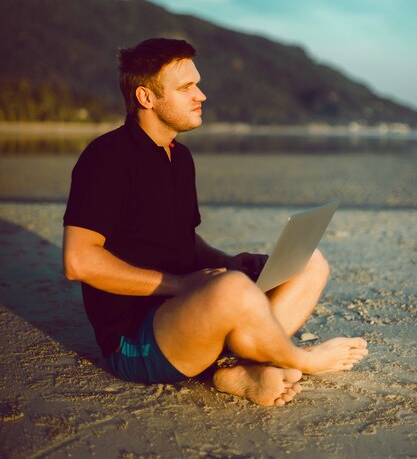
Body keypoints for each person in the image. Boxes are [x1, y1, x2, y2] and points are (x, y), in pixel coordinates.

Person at [63, 37, 368, 407]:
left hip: (192, 310)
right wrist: (180, 285)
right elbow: (79, 261)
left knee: (309, 263)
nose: (201, 95)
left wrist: (227, 261)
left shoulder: (179, 157)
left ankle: (237, 371)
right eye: (186, 87)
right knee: (232, 290)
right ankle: (300, 358)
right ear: (147, 97)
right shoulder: (107, 158)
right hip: (135, 339)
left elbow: (183, 240)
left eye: (198, 84)